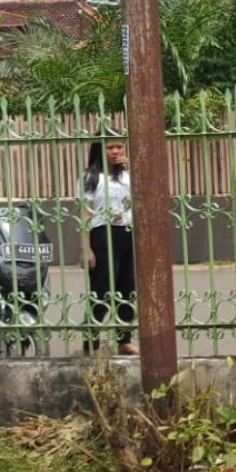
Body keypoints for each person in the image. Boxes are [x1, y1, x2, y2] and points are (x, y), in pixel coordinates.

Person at [79, 140, 137, 355]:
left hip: (128, 233)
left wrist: (134, 169)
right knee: (101, 290)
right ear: (99, 149)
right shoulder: (91, 177)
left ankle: (124, 341)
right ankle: (91, 343)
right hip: (103, 234)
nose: (115, 151)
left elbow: (147, 195)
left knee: (127, 289)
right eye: (109, 147)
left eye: (119, 147)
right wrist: (86, 248)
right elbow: (85, 213)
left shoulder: (128, 176)